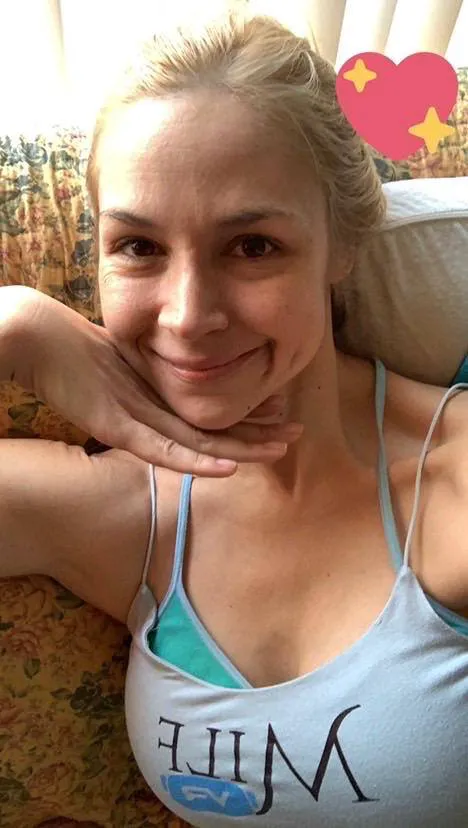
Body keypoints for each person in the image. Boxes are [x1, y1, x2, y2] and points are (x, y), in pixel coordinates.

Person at [1, 11, 467, 827]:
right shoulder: (130, 515)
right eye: (138, 247)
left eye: (252, 246)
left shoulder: (449, 484)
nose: (188, 316)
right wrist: (13, 326)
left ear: (343, 244)